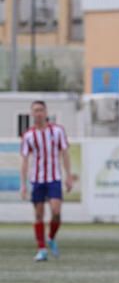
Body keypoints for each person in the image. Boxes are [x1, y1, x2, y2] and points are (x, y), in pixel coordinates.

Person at [20, 100, 72, 262]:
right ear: (31, 113)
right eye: (35, 110)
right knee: (38, 214)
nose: (39, 113)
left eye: (41, 110)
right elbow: (24, 160)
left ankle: (50, 237)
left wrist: (69, 176)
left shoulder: (57, 131)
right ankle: (41, 249)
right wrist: (23, 184)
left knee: (56, 212)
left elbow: (65, 153)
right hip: (37, 180)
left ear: (46, 112)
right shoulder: (28, 135)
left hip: (54, 178)